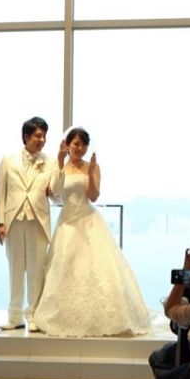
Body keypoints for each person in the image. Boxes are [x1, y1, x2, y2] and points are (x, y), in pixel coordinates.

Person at [30, 127, 151, 338]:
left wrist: (92, 172)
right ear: (67, 145)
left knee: (98, 267)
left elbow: (94, 196)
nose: (80, 148)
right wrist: (59, 161)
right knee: (65, 265)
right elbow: (55, 192)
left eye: (83, 145)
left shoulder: (92, 166)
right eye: (76, 144)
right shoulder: (59, 166)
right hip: (67, 222)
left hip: (88, 219)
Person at [0, 117, 53, 331]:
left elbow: (56, 194)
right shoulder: (8, 160)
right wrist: (0, 222)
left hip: (38, 220)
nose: (42, 139)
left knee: (36, 271)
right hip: (14, 221)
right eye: (38, 135)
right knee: (16, 269)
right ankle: (15, 317)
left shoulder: (51, 162)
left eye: (44, 136)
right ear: (26, 136)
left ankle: (34, 316)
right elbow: (0, 193)